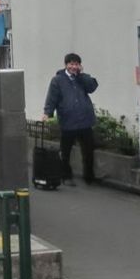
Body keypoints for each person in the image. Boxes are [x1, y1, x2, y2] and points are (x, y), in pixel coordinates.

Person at [41, 52, 99, 185]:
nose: (74, 66)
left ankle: (89, 177)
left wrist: (81, 75)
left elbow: (92, 87)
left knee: (89, 152)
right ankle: (66, 176)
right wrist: (47, 113)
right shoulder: (58, 80)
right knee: (66, 152)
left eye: (77, 64)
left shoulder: (82, 78)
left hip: (85, 121)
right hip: (68, 122)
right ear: (66, 65)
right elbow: (52, 98)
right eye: (71, 64)